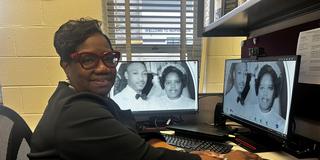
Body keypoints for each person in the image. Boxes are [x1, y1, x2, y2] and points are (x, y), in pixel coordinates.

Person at [28, 17, 262, 160]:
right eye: (88, 59)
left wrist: (158, 142)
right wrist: (225, 159)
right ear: (65, 65)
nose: (103, 68)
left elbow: (128, 129)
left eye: (109, 58)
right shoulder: (75, 112)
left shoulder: (83, 98)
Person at [251, 64, 284, 132]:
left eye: (270, 88)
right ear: (257, 89)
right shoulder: (246, 111)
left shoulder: (282, 125)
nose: (265, 93)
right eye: (262, 87)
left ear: (275, 91)